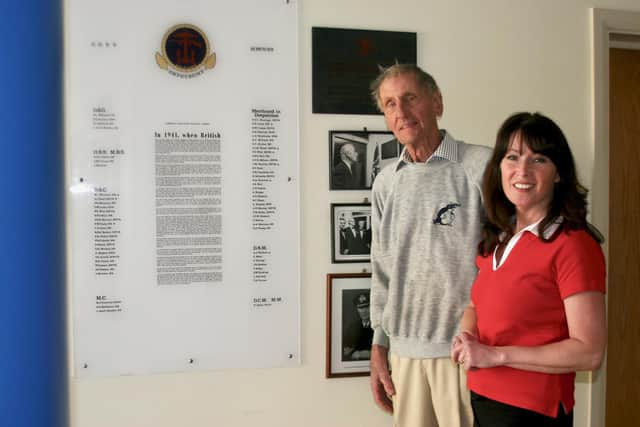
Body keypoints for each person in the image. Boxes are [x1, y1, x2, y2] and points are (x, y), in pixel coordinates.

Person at [450, 112, 606, 427]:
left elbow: (589, 352)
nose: (522, 170)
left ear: (559, 173)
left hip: (531, 412)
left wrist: (497, 355)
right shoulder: (497, 237)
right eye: (512, 157)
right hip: (484, 399)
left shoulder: (573, 245)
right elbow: (475, 305)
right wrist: (467, 335)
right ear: (499, 168)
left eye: (538, 160)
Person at [368, 63, 491, 427]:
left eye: (410, 98)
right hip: (404, 356)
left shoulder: (482, 166)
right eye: (390, 104)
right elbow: (382, 269)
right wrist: (379, 346)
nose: (401, 112)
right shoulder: (386, 183)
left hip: (465, 351)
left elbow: (511, 260)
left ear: (437, 102)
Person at [343, 292, 374, 361]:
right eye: (360, 308)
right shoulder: (352, 328)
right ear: (357, 309)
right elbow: (345, 351)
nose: (363, 311)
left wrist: (366, 354)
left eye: (366, 307)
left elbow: (387, 351)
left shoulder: (378, 326)